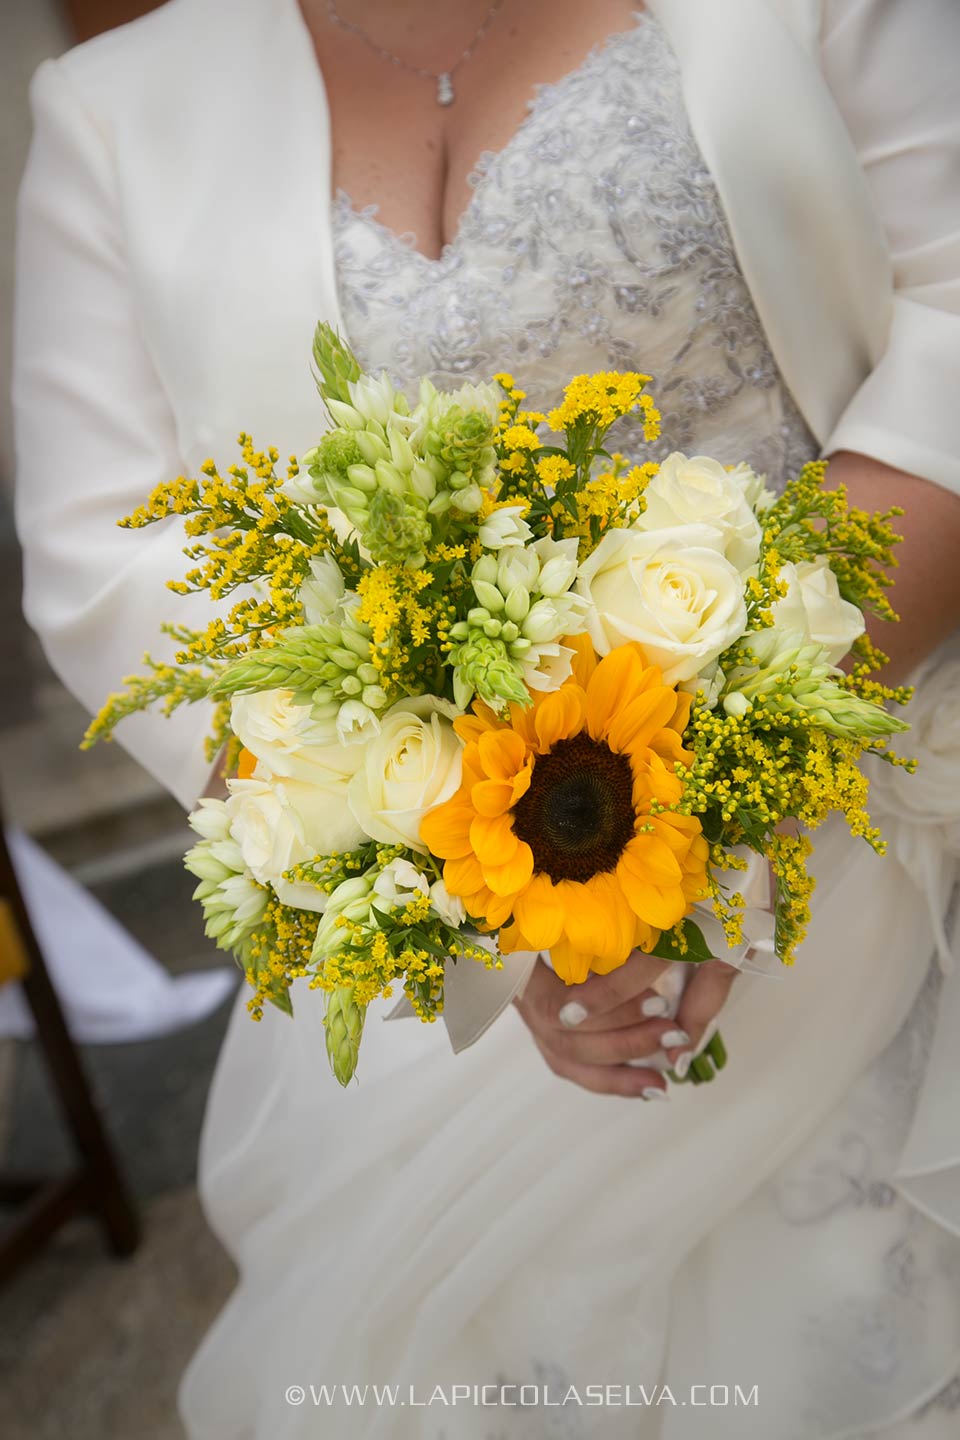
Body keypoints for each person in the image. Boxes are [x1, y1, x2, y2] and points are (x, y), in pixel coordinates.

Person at [13, 0, 960, 1435]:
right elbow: (106, 555)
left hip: (863, 809)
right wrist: (463, 884)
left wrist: (711, 800)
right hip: (463, 940)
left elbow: (950, 326)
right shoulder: (111, 109)